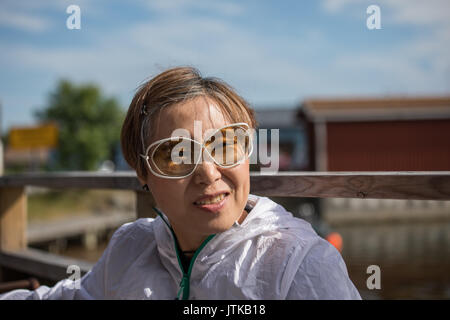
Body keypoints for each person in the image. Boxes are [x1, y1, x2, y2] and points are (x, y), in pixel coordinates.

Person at [0, 66, 361, 300]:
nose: (207, 171)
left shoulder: (298, 265)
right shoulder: (132, 248)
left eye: (226, 144)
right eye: (175, 154)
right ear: (142, 172)